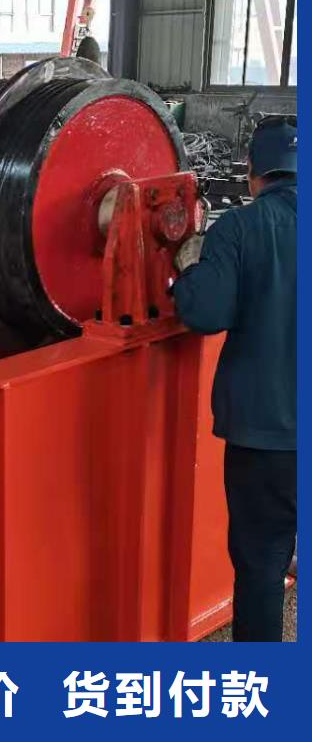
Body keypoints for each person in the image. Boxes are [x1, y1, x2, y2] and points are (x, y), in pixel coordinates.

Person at [172, 116, 297, 642]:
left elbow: (205, 312)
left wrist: (188, 267)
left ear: (252, 171)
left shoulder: (240, 229)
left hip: (266, 437)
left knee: (263, 565)